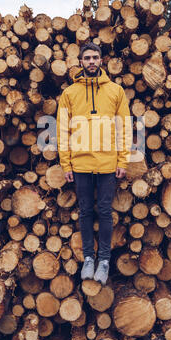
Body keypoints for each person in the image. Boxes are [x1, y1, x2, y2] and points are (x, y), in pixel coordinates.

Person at [56, 42, 132, 285]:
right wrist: (66, 164)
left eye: (95, 57)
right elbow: (62, 131)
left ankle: (105, 260)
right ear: (80, 62)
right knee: (86, 211)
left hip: (108, 163)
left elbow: (124, 127)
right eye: (86, 58)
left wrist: (123, 159)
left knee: (106, 212)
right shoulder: (69, 94)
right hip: (80, 164)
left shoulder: (116, 91)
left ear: (101, 61)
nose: (91, 61)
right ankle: (89, 258)